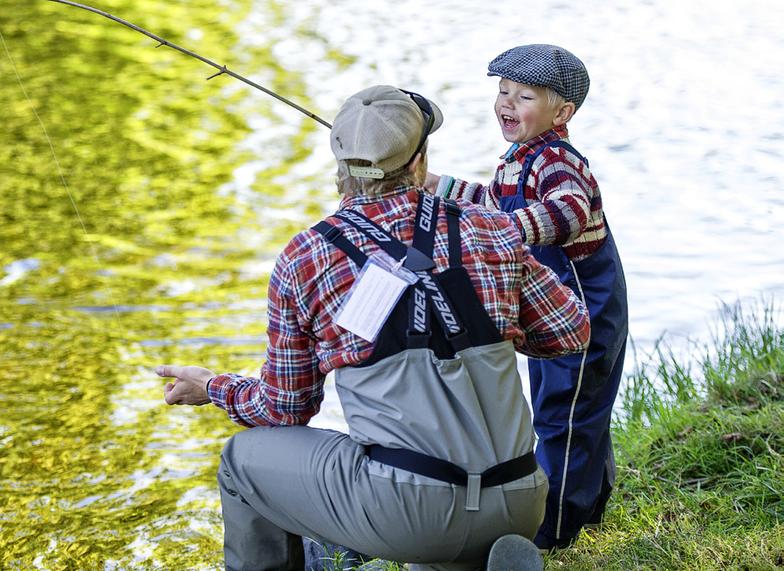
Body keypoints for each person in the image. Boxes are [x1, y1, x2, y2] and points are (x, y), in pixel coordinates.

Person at [156, 85, 590, 571]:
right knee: (433, 481)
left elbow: (286, 409)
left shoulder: (307, 257)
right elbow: (570, 333)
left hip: (410, 511)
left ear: (339, 169)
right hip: (521, 496)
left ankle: (429, 540)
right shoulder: (489, 227)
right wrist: (485, 325)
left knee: (243, 459)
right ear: (420, 163)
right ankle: (472, 554)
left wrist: (213, 387)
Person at [429, 44, 629, 550]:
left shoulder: (557, 161)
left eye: (525, 96)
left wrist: (506, 231)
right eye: (502, 92)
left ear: (562, 112)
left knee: (567, 411)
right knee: (564, 402)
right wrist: (437, 186)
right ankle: (592, 501)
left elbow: (567, 212)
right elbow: (492, 203)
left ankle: (554, 530)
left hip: (586, 304)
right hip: (550, 304)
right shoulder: (517, 161)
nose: (507, 103)